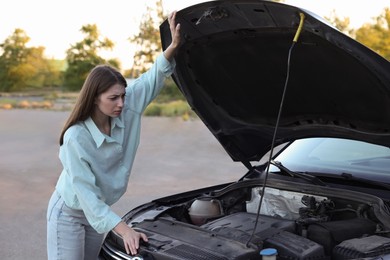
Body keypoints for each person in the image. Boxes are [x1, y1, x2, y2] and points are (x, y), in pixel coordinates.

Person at [46, 12, 181, 260]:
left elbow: (151, 79)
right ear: (95, 98)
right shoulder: (76, 138)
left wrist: (171, 48)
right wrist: (124, 229)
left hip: (100, 213)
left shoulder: (126, 108)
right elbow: (87, 197)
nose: (120, 104)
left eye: (123, 95)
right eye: (113, 98)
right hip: (70, 214)